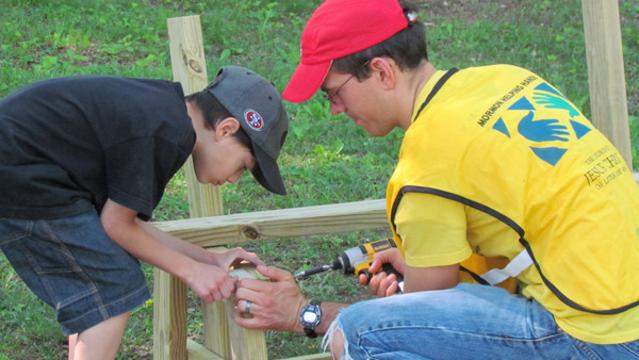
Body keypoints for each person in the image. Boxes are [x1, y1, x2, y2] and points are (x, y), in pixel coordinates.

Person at [232, 0, 639, 359]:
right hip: (619, 306)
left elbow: (425, 307)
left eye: (333, 92)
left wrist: (305, 312)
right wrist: (422, 262)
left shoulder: (426, 161)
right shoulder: (508, 79)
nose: (336, 109)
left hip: (600, 339)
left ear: (382, 71)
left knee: (360, 334)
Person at [0, 65, 289, 359]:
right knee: (114, 282)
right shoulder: (167, 133)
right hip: (21, 172)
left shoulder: (163, 113)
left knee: (100, 289)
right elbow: (116, 225)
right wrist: (192, 271)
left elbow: (128, 224)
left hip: (26, 169)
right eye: (243, 166)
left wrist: (209, 259)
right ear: (226, 128)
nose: (233, 179)